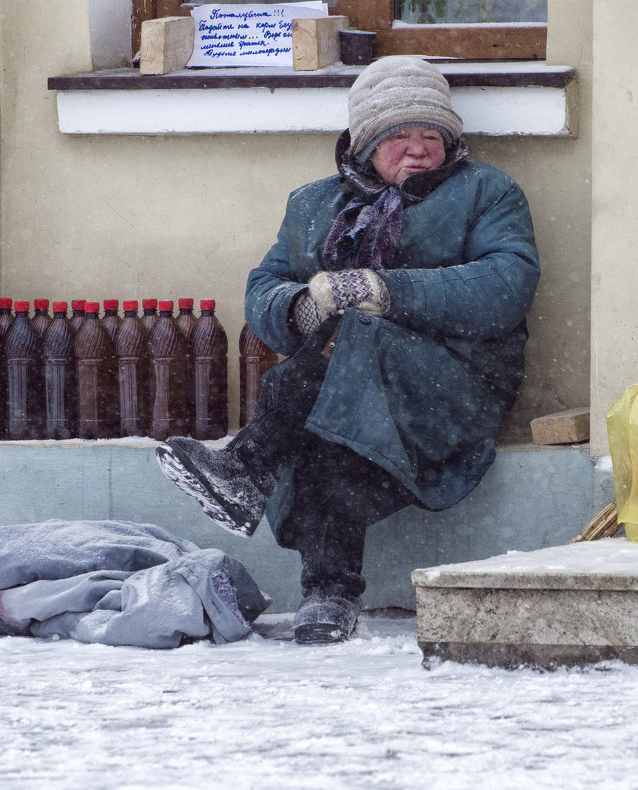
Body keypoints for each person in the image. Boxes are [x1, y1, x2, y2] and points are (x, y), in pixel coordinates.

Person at [156, 56, 540, 645]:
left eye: (431, 136)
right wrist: (298, 308)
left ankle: (251, 466)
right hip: (341, 382)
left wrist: (384, 290)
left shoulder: (487, 192)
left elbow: (504, 287)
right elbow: (264, 285)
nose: (417, 151)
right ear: (365, 144)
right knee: (329, 419)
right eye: (399, 136)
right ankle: (327, 595)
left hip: (455, 387)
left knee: (347, 346)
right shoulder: (313, 205)